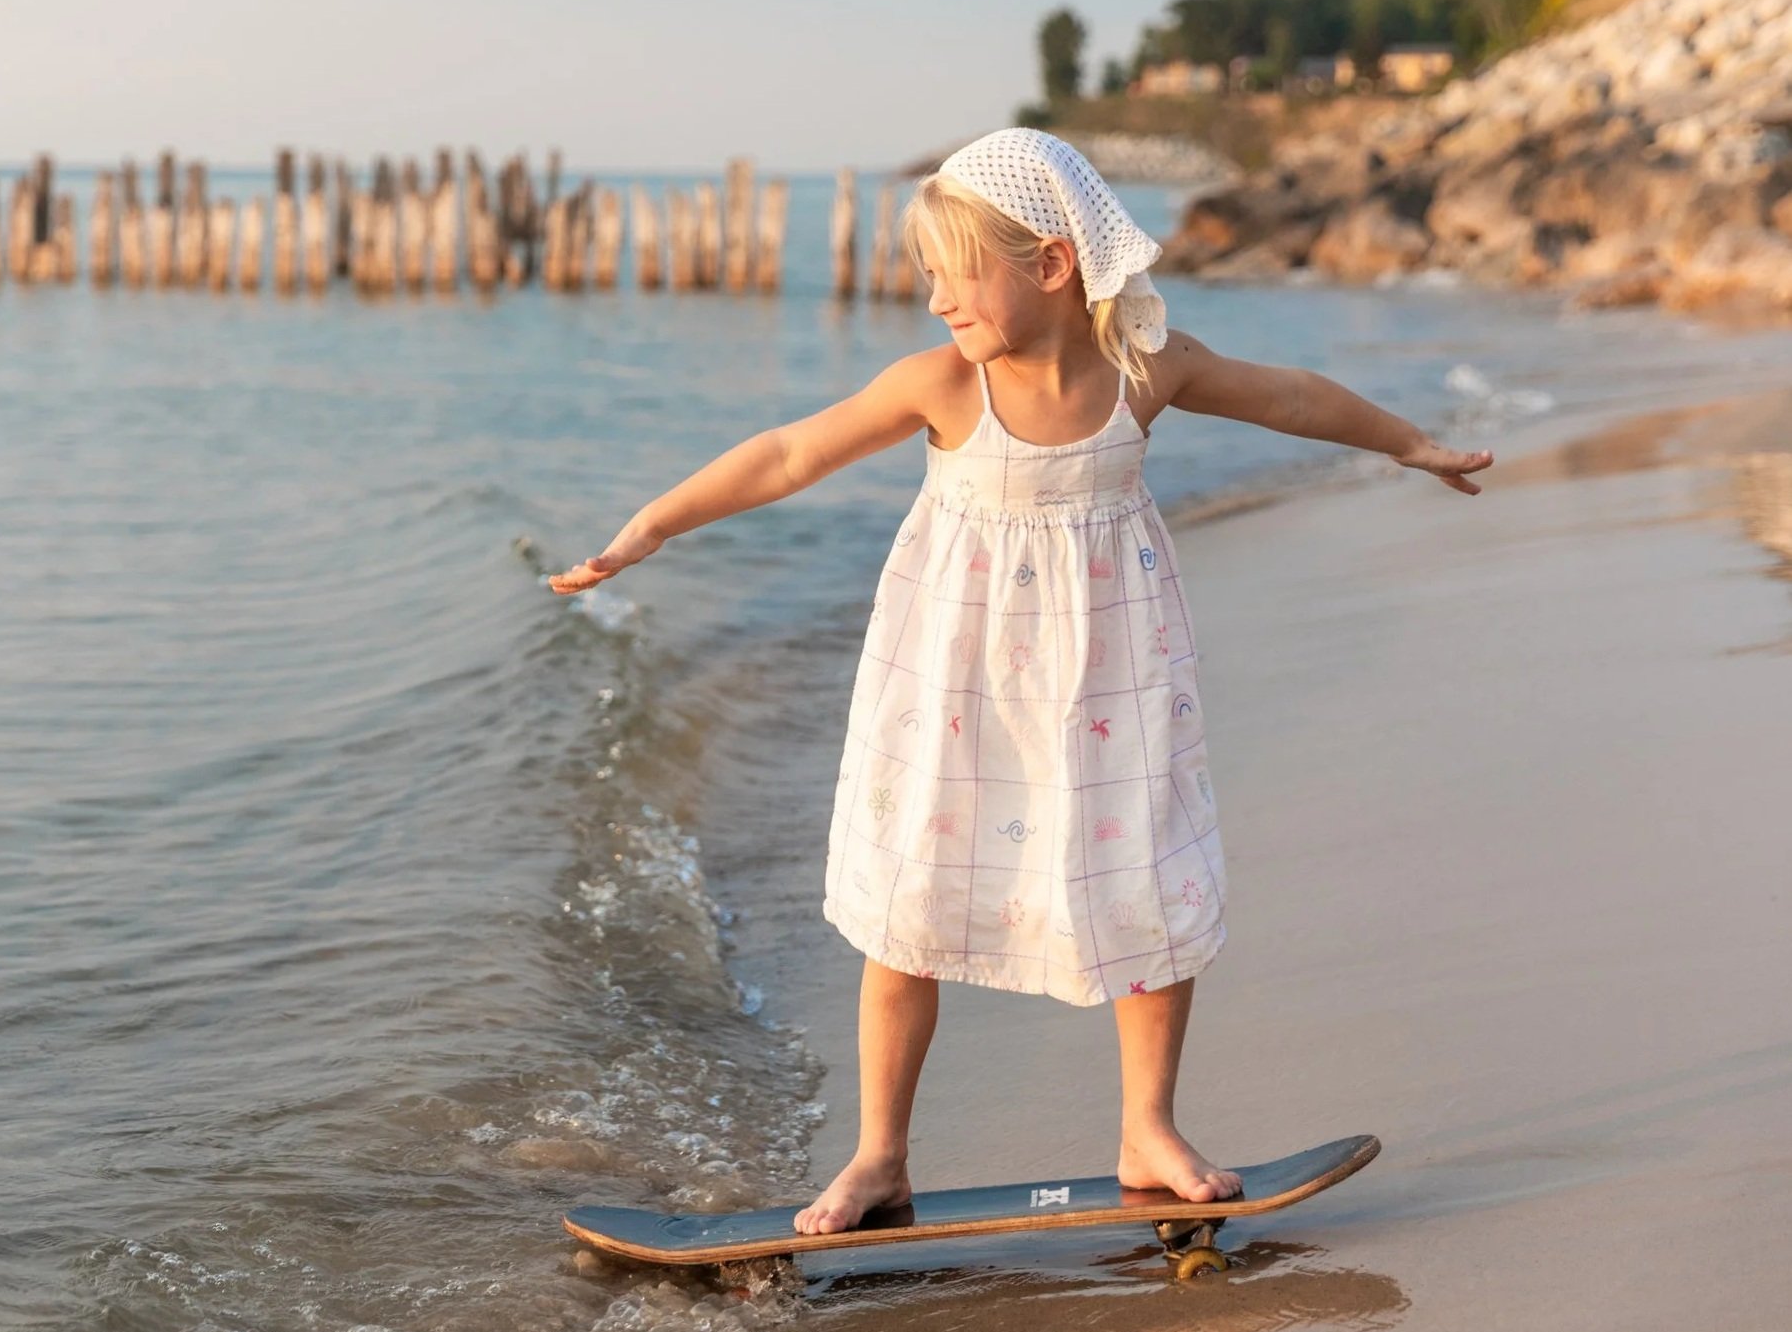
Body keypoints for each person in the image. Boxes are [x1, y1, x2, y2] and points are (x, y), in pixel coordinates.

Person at [547, 129, 1494, 1235]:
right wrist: (649, 526)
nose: (936, 298)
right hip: (956, 678)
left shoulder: (1147, 367)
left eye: (957, 272)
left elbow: (1287, 398)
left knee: (1143, 878)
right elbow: (789, 453)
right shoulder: (945, 384)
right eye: (928, 275)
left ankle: (1148, 1125)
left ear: (1050, 264)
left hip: (1113, 676)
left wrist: (1408, 443)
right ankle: (879, 1154)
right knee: (911, 902)